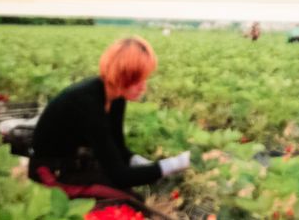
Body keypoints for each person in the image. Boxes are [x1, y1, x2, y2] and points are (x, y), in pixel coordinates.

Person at [30, 37, 191, 200]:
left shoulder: (115, 96)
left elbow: (119, 149)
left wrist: (143, 163)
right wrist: (178, 163)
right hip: (51, 173)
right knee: (129, 200)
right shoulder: (88, 102)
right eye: (136, 79)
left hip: (75, 164)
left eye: (144, 78)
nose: (143, 86)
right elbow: (120, 176)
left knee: (131, 193)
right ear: (121, 75)